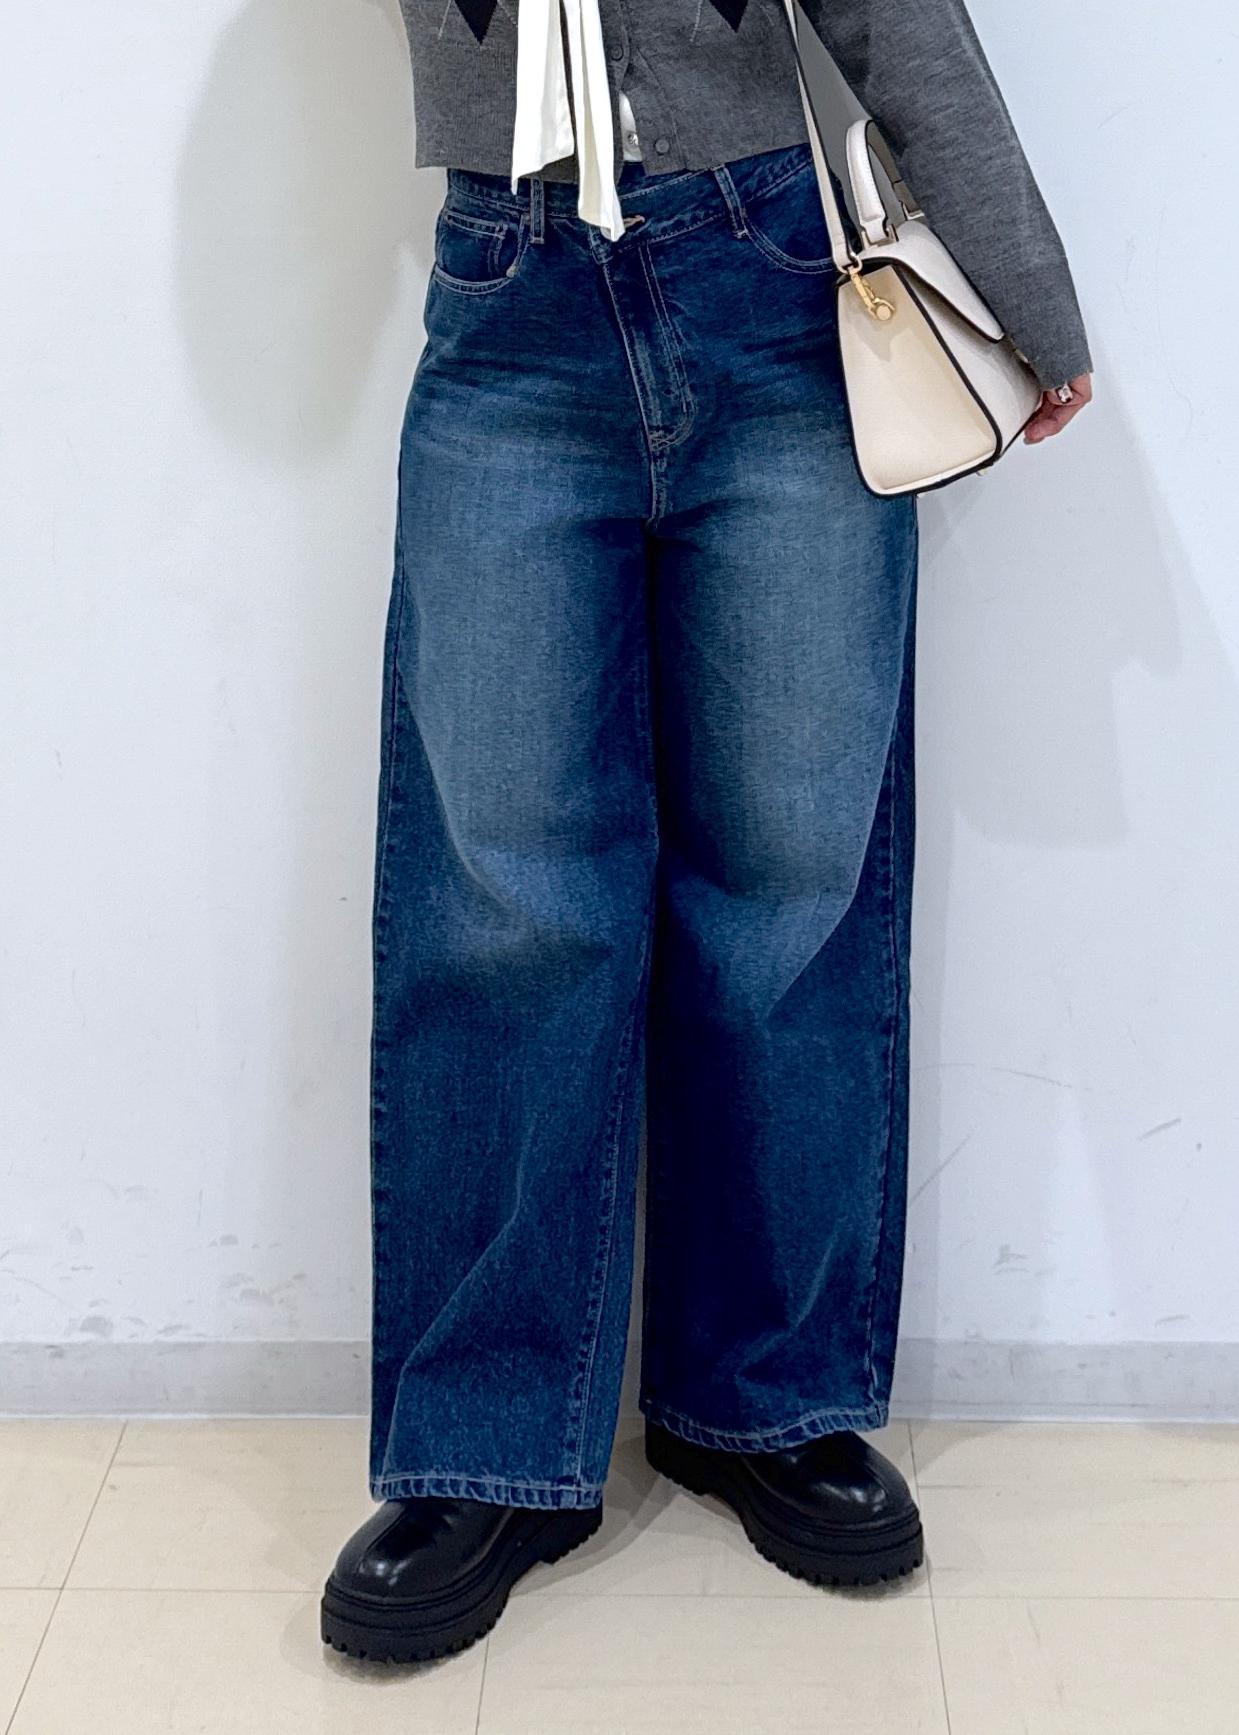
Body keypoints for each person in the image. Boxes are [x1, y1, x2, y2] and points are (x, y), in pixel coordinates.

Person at [320, 0, 1092, 1663]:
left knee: (791, 880)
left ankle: (768, 1398)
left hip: (781, 285)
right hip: (507, 299)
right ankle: (483, 1442)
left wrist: (1021, 278)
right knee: (503, 902)